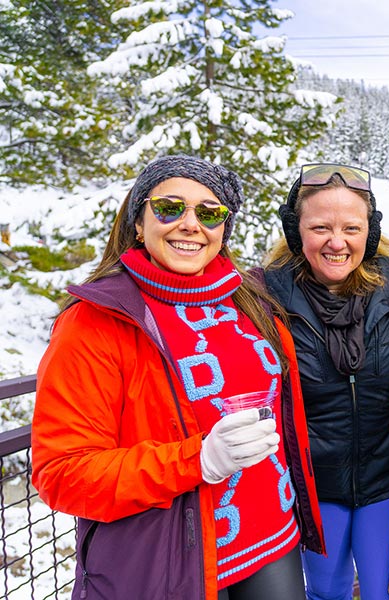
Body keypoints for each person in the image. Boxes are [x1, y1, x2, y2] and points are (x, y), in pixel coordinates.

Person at [30, 155, 324, 600]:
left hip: (273, 538)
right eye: (169, 208)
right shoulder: (95, 321)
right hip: (167, 558)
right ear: (137, 222)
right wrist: (198, 461)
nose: (190, 224)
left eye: (209, 213)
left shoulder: (247, 300)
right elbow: (62, 473)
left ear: (223, 229)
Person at [264, 163, 389, 600]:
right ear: (296, 231)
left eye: (351, 228)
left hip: (387, 479)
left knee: (386, 593)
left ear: (370, 231)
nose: (337, 242)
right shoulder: (264, 296)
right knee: (326, 592)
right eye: (320, 228)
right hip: (314, 488)